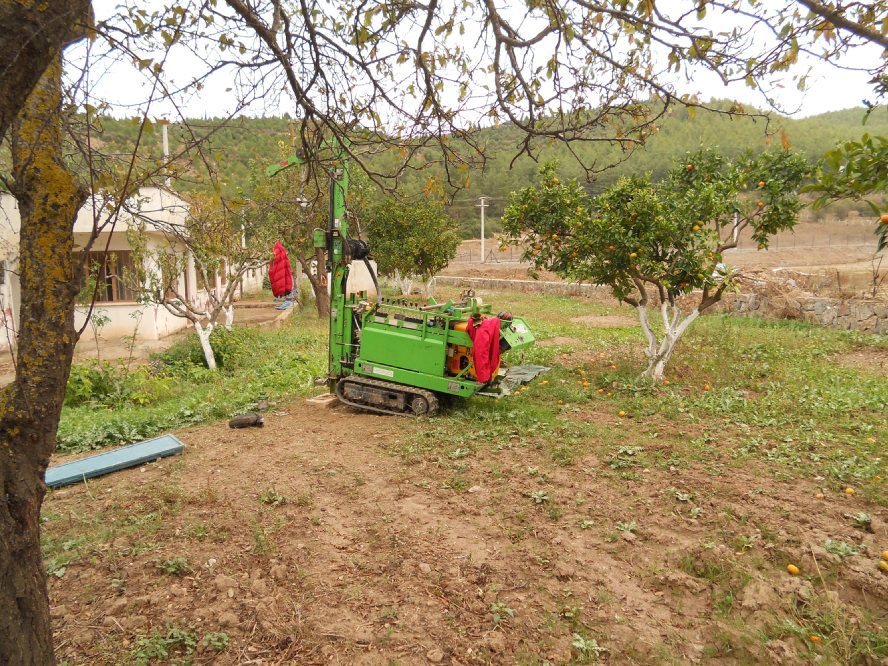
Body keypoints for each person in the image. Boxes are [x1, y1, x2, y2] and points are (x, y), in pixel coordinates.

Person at [269, 241, 293, 309]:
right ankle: (287, 301)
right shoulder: (281, 250)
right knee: (285, 285)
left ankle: (288, 302)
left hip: (281, 273)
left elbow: (275, 260)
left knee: (282, 285)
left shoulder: (277, 250)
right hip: (284, 273)